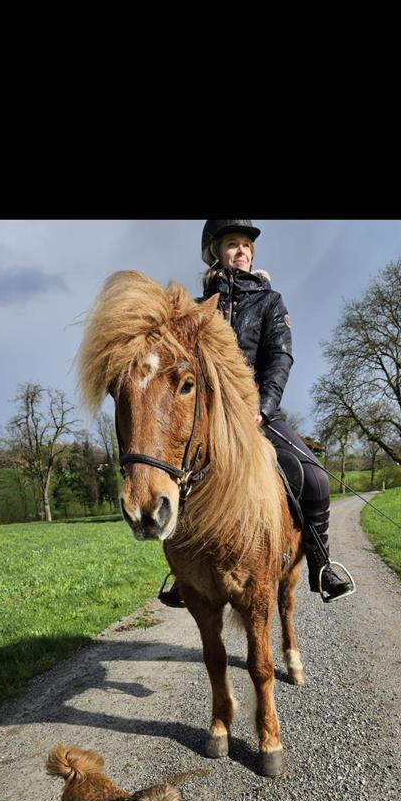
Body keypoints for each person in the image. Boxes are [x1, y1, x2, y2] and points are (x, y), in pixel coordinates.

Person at [159, 219, 354, 606]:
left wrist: (263, 409)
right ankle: (185, 574)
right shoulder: (196, 309)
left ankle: (320, 564)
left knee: (314, 479)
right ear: (216, 250)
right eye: (233, 243)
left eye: (247, 245)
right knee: (175, 477)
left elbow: (279, 359)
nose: (242, 251)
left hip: (260, 415)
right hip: (211, 421)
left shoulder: (270, 302)